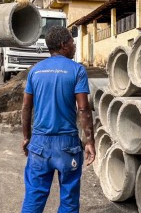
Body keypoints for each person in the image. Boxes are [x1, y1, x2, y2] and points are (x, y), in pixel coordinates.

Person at [21, 26, 96, 213]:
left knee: (34, 197)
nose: (74, 45)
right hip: (67, 145)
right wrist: (89, 141)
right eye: (72, 41)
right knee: (69, 201)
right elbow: (84, 109)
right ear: (63, 45)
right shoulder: (77, 70)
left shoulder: (35, 71)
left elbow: (26, 107)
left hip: (39, 144)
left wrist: (26, 137)